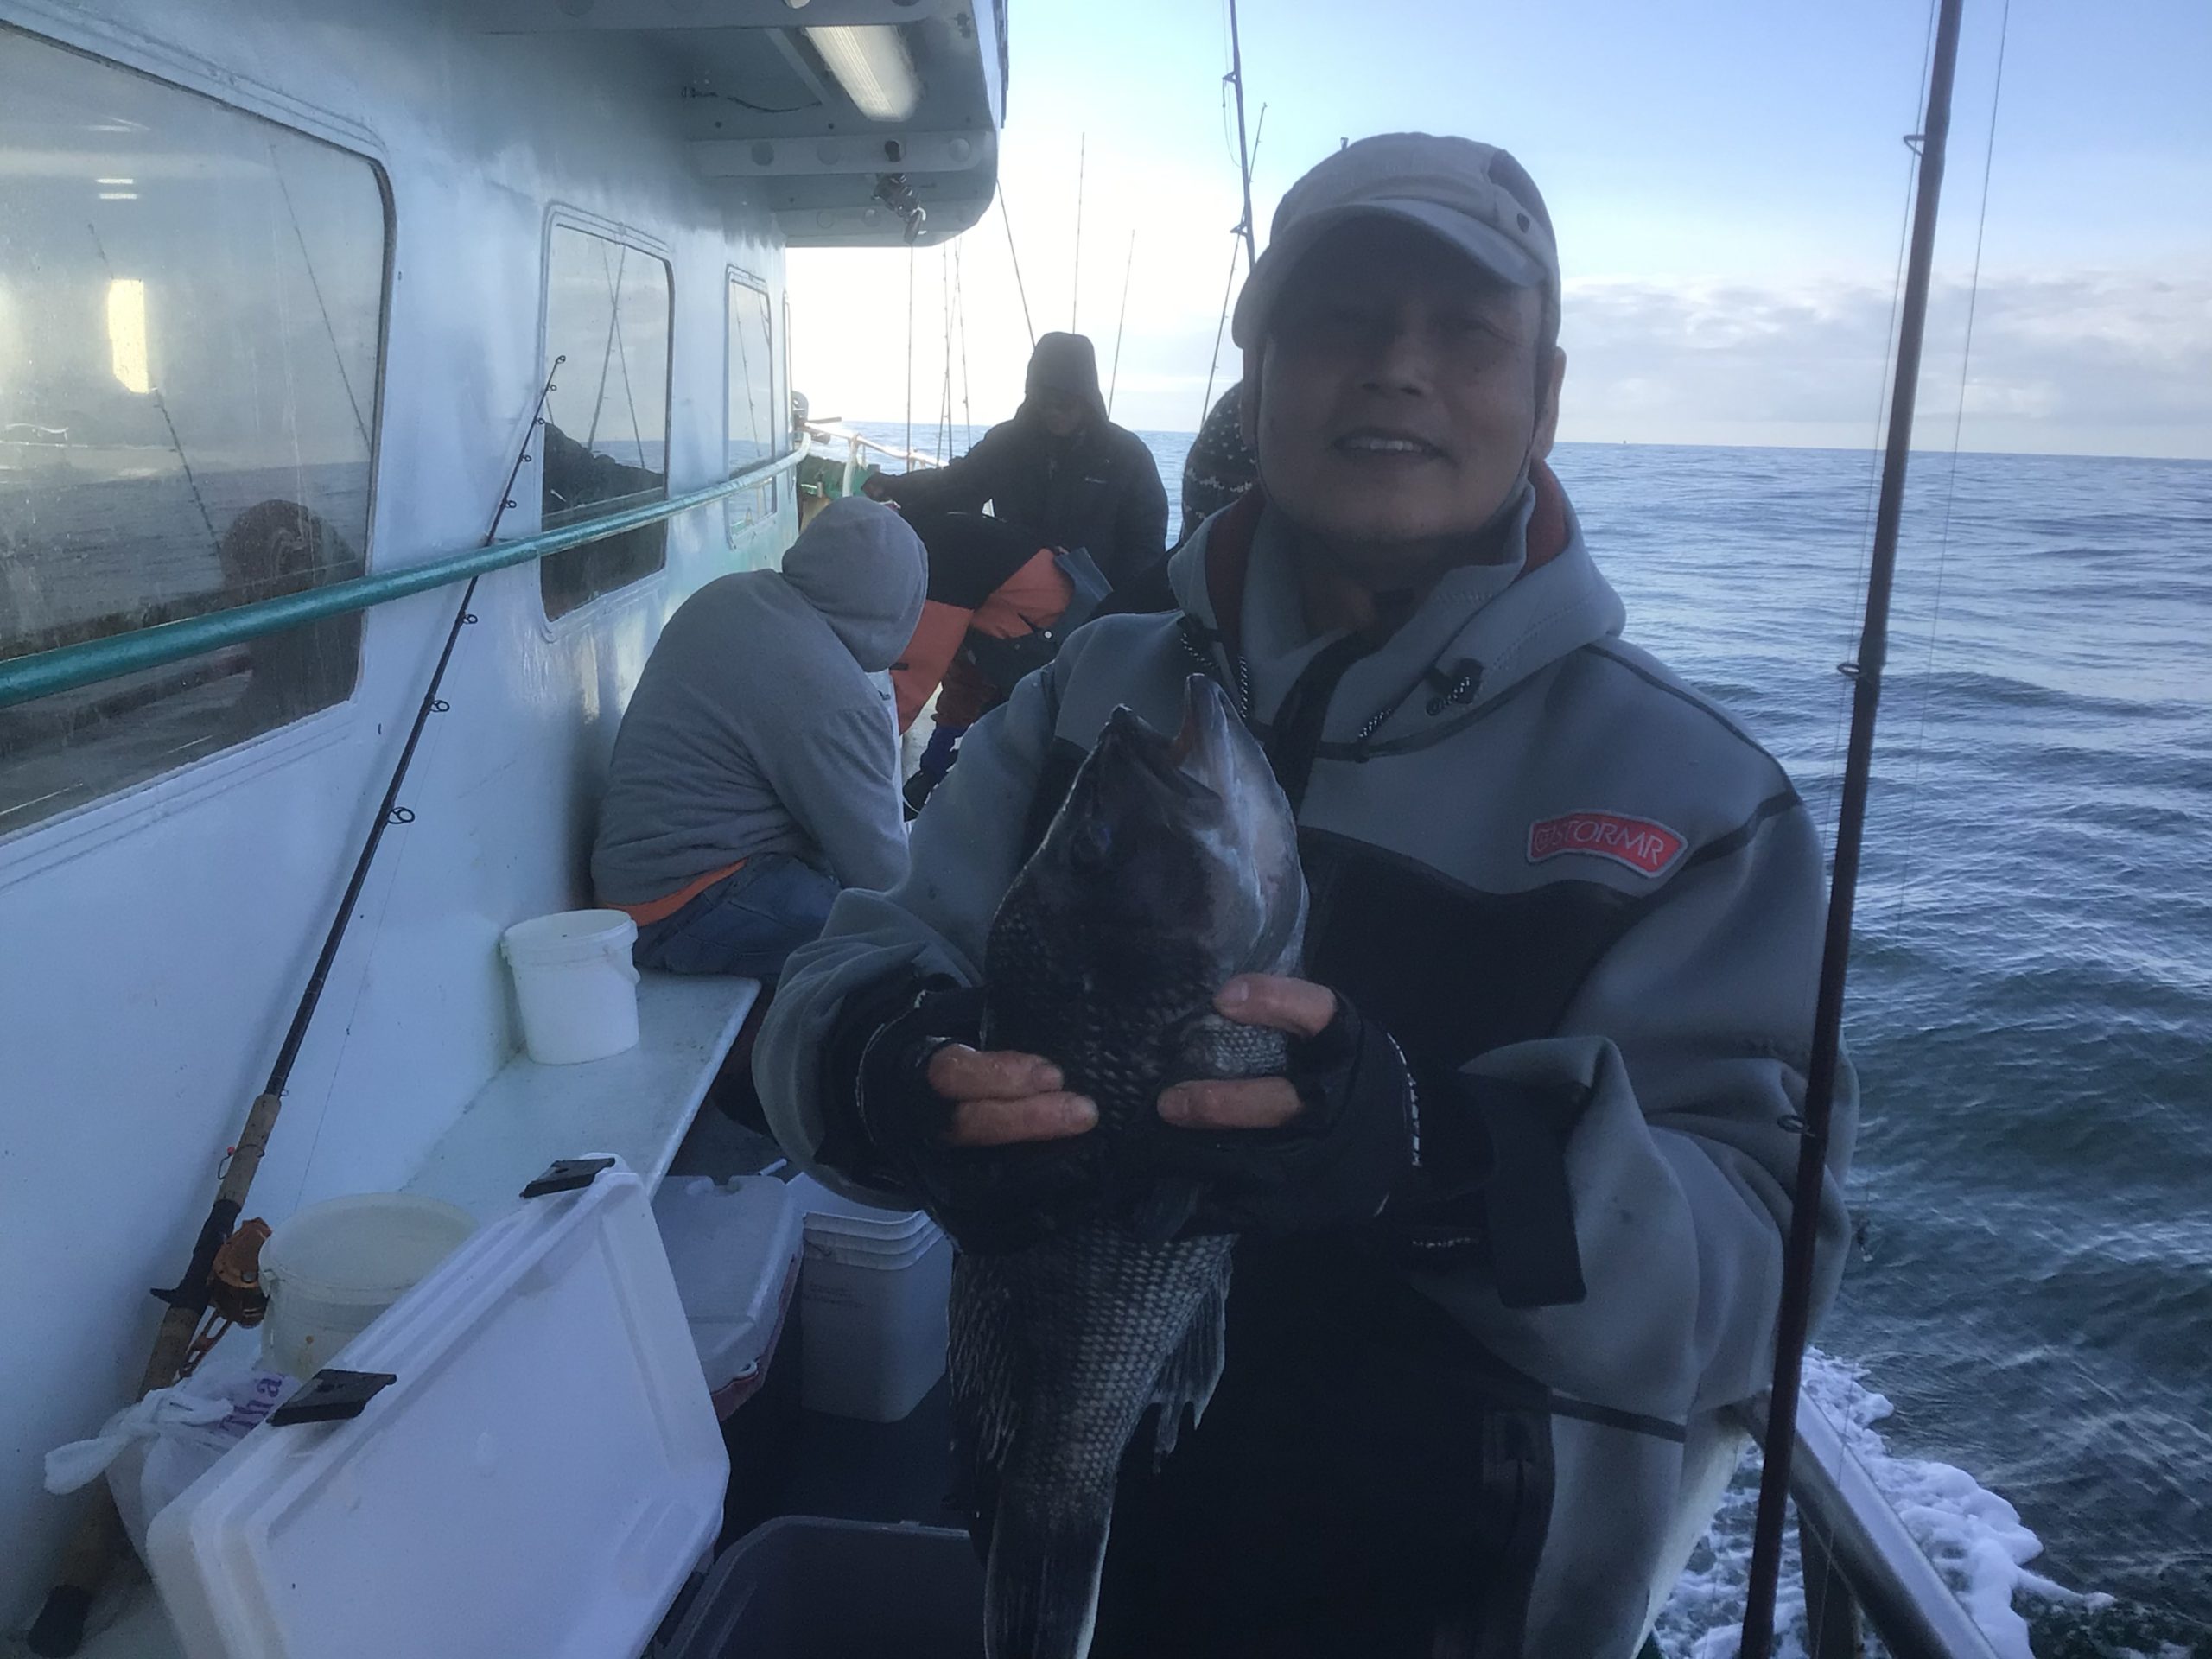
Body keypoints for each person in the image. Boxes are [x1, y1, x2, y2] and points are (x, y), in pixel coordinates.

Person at [756, 134, 1856, 1657]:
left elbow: (1765, 1285)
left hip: (1458, 1613)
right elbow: (838, 980)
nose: (1397, 369)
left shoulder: (1698, 806)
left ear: (1543, 396)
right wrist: (890, 1074)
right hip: (1077, 1549)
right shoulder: (1090, 694)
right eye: (1340, 320)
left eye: (1465, 330)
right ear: (1258, 374)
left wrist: (1449, 1163)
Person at [591, 496, 925, 981]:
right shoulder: (835, 696)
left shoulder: (728, 595)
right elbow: (882, 878)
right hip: (686, 906)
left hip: (637, 879)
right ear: (901, 603)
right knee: (902, 951)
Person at [861, 331, 1168, 593]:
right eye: (1044, 400)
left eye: (1065, 402)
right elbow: (957, 485)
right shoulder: (1008, 443)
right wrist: (895, 486)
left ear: (1086, 399)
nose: (1054, 411)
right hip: (1015, 593)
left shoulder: (1127, 456)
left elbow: (1145, 544)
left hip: (1091, 603)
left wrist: (1116, 609)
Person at [889, 511, 1111, 815]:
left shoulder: (941, 564)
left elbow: (910, 683)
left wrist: (852, 770)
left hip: (1080, 682)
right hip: (1071, 644)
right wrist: (932, 768)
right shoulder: (948, 537)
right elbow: (965, 669)